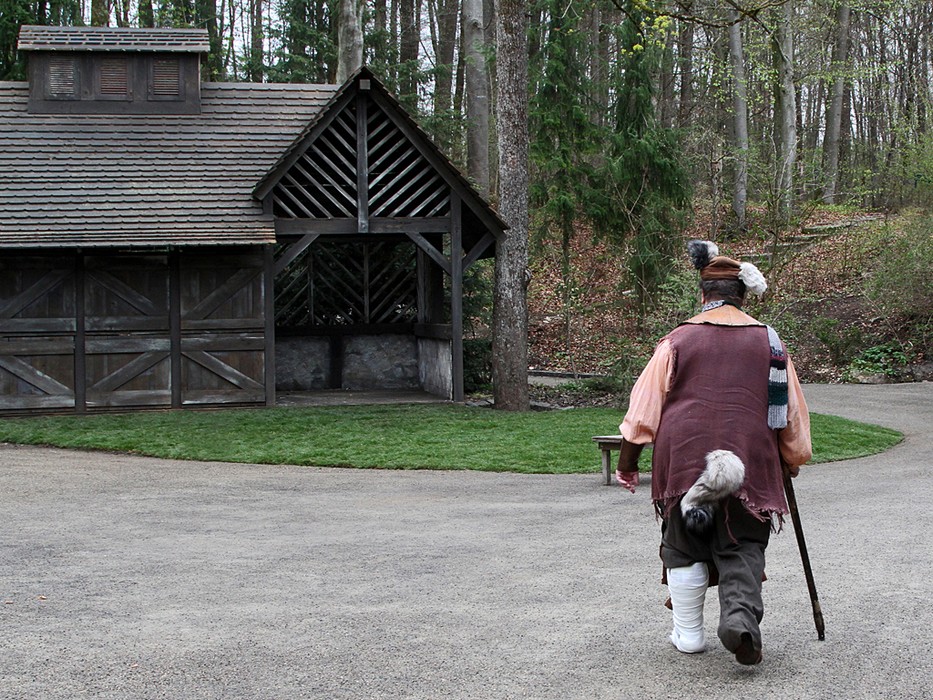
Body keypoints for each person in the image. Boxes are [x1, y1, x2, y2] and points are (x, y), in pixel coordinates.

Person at [615, 240, 812, 666]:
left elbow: (643, 409)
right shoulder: (771, 342)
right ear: (742, 296)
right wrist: (791, 458)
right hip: (750, 461)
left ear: (703, 294)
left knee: (683, 544)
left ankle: (689, 635)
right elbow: (790, 411)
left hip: (685, 461)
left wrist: (628, 464)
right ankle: (739, 621)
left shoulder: (677, 340)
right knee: (743, 543)